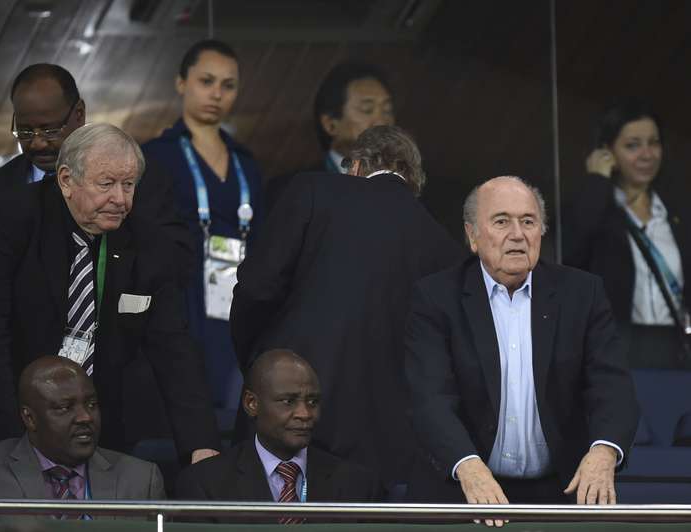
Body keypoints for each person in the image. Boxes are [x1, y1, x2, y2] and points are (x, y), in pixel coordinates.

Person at [0, 123, 220, 497]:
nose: (120, 199)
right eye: (106, 183)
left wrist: (200, 445)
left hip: (88, 423)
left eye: (128, 185)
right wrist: (23, 436)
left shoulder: (149, 242)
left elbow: (174, 348)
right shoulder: (8, 217)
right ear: (66, 180)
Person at [231, 125, 464, 488]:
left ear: (355, 166)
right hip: (385, 446)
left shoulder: (311, 190)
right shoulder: (444, 246)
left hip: (285, 414)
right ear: (413, 182)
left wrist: (256, 366)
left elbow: (255, 290)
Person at [405, 176, 638, 525]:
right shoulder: (436, 298)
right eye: (501, 221)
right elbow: (429, 398)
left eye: (528, 221)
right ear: (472, 236)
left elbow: (612, 387)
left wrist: (604, 451)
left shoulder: (582, 294)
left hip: (557, 494)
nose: (518, 234)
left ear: (541, 232)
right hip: (465, 490)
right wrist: (467, 466)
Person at [0, 63, 189, 319]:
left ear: (79, 113)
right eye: (25, 131)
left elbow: (174, 263)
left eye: (50, 130)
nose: (38, 142)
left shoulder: (135, 179)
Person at [142, 40, 264, 410]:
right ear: (181, 83)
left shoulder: (247, 161)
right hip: (183, 299)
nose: (217, 93)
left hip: (237, 298)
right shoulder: (156, 155)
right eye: (206, 81)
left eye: (228, 85)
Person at [0, 356, 165, 522]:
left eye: (91, 404)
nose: (85, 417)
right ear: (29, 418)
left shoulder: (142, 479)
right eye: (64, 408)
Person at [563, 100, 691, 369]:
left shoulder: (674, 213)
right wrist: (597, 179)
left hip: (674, 348)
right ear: (608, 152)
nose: (647, 154)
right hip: (618, 350)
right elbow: (572, 252)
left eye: (653, 143)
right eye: (633, 145)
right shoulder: (599, 211)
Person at [175, 349, 382, 512]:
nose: (304, 413)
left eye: (313, 401)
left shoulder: (358, 486)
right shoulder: (205, 485)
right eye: (288, 401)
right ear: (251, 403)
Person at [265, 61, 394, 210]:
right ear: (330, 124)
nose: (382, 121)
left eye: (387, 110)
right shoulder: (292, 189)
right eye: (367, 110)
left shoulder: (407, 185)